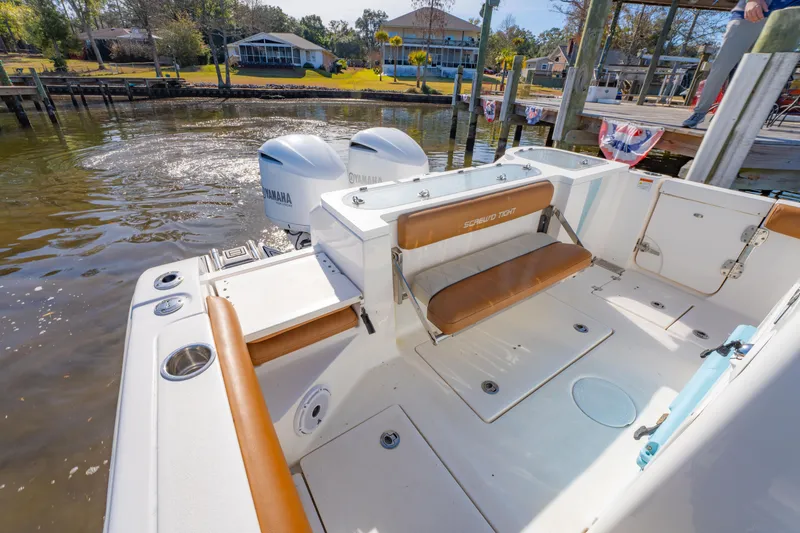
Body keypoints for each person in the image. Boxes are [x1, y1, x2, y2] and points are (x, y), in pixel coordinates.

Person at [682, 0, 800, 128]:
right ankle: (700, 112)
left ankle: (735, 115)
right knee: (721, 67)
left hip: (787, 21)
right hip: (750, 15)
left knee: (765, 74)